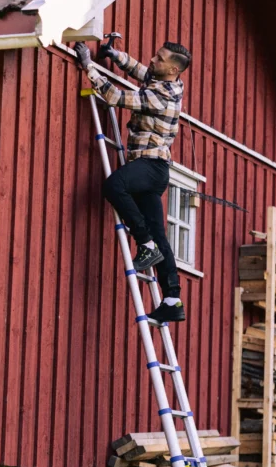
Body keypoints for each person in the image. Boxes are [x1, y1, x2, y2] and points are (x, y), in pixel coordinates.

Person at [74, 39, 191, 323]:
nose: (153, 59)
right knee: (160, 232)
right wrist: (115, 56)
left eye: (160, 58)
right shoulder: (169, 83)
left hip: (150, 166)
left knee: (114, 186)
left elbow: (114, 97)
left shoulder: (159, 97)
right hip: (155, 169)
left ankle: (145, 244)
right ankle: (173, 299)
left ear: (174, 69)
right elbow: (142, 71)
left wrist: (89, 65)